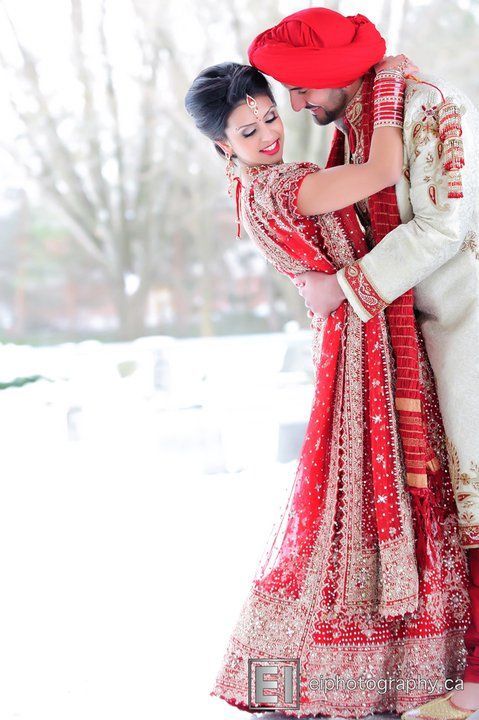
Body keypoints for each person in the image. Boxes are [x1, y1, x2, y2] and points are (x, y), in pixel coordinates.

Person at [185, 56, 470, 718]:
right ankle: (345, 673)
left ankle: (370, 668)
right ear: (222, 146)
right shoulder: (283, 189)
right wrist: (390, 94)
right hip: (359, 339)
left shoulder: (254, 187)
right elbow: (378, 175)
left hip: (351, 332)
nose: (267, 134)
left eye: (267, 115)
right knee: (371, 493)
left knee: (360, 496)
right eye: (247, 131)